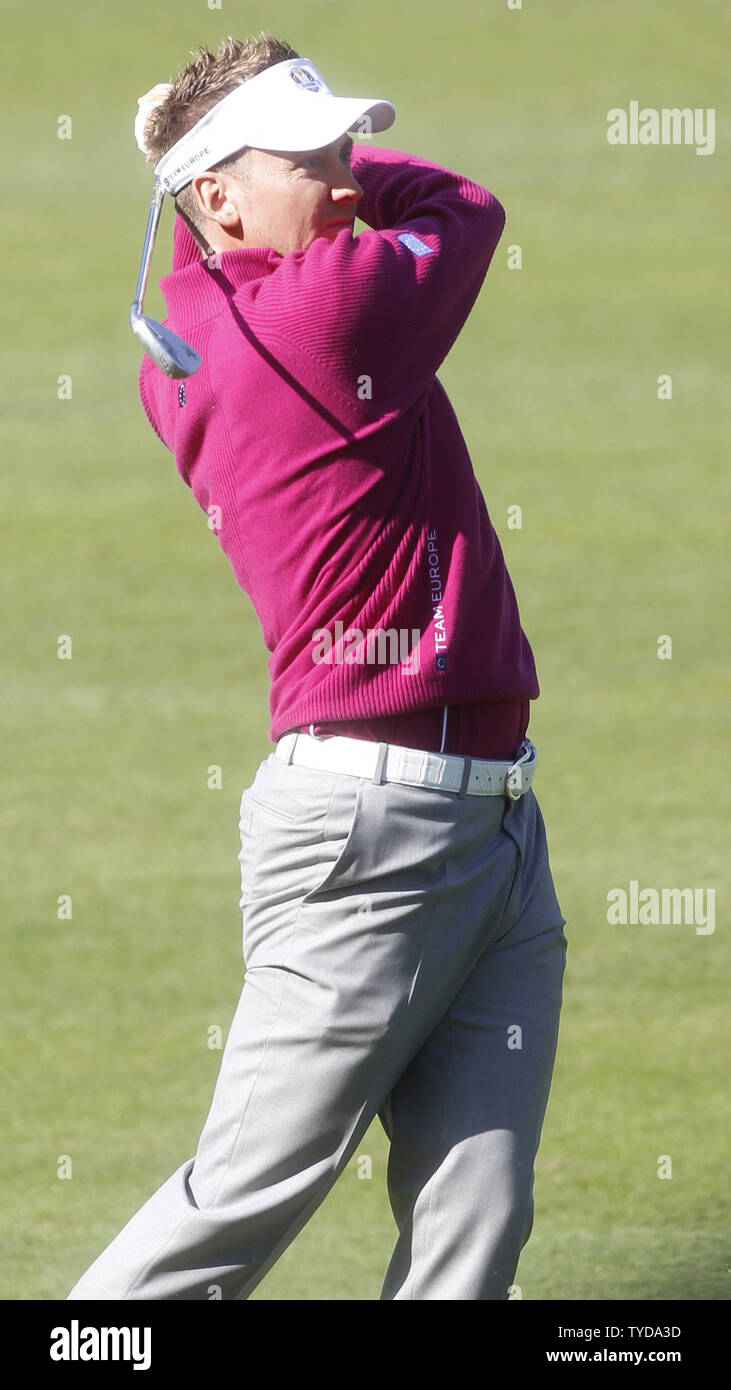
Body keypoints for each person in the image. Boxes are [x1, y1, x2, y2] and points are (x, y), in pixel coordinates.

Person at [67, 30, 567, 1302]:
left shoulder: (195, 333)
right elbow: (464, 199)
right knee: (238, 1203)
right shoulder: (328, 306)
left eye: (348, 146)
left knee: (476, 1226)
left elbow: (218, 259)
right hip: (375, 835)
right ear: (221, 194)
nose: (348, 177)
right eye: (314, 156)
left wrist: (216, 169)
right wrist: (268, 171)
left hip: (489, 821)